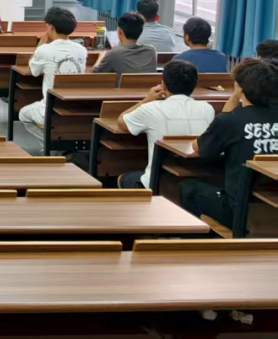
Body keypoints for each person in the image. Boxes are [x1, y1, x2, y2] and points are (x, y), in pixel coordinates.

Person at [180, 58, 278, 228]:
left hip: (239, 210)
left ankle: (205, 240)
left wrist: (235, 96)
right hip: (271, 204)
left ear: (240, 87)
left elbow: (200, 149)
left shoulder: (231, 120)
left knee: (188, 188)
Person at [116, 60, 215, 190]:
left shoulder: (151, 108)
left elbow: (121, 122)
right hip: (198, 180)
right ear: (195, 84)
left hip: (158, 182)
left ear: (163, 84)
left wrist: (147, 99)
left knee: (123, 178)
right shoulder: (207, 108)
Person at [18, 7, 89, 138]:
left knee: (23, 114)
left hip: (51, 109)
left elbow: (33, 71)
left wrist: (40, 44)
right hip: (76, 107)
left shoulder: (44, 50)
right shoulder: (82, 50)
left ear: (51, 27)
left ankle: (47, 144)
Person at [94, 12, 157, 80]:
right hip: (147, 87)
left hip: (123, 87)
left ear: (120, 31)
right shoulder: (151, 51)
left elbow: (95, 74)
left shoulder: (114, 54)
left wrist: (101, 57)